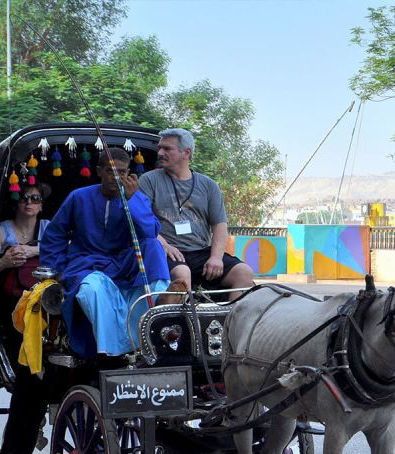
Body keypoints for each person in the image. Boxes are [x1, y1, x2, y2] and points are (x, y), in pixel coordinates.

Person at [40, 147, 170, 360]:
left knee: (153, 245)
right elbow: (54, 236)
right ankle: (111, 352)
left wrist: (131, 200)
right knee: (93, 289)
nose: (117, 177)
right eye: (111, 171)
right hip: (86, 263)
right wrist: (57, 269)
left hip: (123, 264)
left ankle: (154, 328)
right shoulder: (79, 197)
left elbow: (150, 232)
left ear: (129, 173)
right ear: (99, 171)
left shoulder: (136, 198)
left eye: (122, 172)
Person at [138, 128, 254, 300]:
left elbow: (219, 226)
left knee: (244, 272)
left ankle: (229, 324)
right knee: (182, 273)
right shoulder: (148, 180)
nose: (160, 152)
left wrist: (216, 258)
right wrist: (164, 245)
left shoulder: (208, 185)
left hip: (201, 252)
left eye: (167, 148)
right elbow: (142, 220)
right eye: (160, 148)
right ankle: (180, 327)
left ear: (186, 152)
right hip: (166, 252)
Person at [0, 183, 52, 454]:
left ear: (41, 204)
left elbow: (66, 253)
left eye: (34, 199)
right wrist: (5, 261)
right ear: (17, 202)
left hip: (47, 297)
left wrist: (33, 252)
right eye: (24, 198)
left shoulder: (49, 228)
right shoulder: (3, 230)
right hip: (12, 302)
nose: (29, 203)